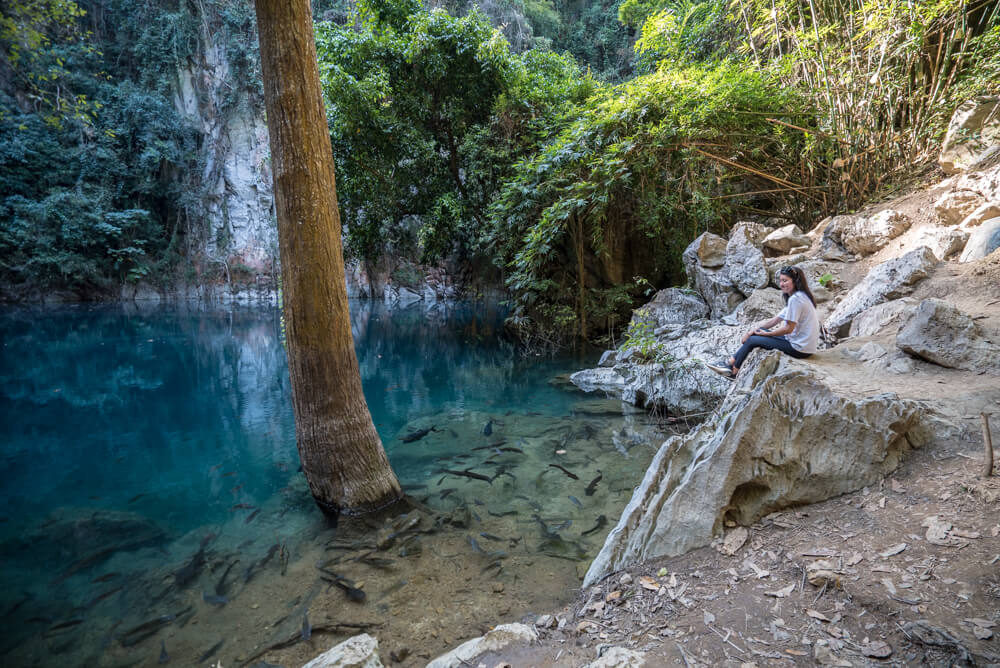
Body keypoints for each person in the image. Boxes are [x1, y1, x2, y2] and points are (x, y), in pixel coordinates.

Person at [705, 266, 820, 378]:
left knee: (753, 340)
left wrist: (766, 334)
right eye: (780, 281)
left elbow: (787, 329)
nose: (781, 284)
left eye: (785, 281)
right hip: (802, 344)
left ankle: (734, 371)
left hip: (800, 348)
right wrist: (751, 331)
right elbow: (774, 321)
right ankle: (729, 363)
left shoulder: (796, 300)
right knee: (756, 334)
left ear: (795, 280)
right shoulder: (800, 296)